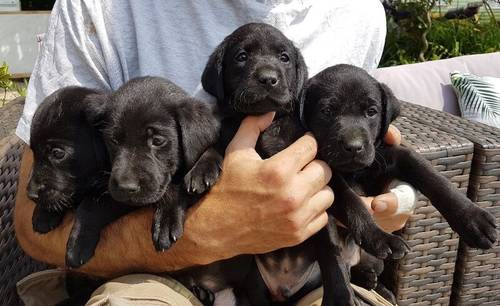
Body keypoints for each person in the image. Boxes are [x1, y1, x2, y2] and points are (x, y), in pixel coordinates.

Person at [14, 0, 416, 305]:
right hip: (157, 278)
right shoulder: (103, 8)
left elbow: (360, 153)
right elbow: (33, 224)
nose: (268, 73)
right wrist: (206, 232)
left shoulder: (360, 13)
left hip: (311, 268)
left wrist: (391, 197)